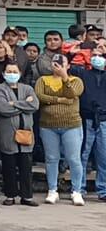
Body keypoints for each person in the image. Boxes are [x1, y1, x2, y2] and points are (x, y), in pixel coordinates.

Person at [35, 54, 85, 205]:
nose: (57, 65)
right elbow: (40, 96)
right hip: (48, 125)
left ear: (68, 65)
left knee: (74, 158)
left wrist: (64, 77)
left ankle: (76, 191)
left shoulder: (76, 80)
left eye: (61, 63)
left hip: (71, 124)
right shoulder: (42, 80)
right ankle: (52, 190)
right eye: (54, 62)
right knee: (51, 158)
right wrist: (59, 100)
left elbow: (73, 94)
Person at [0, 62, 39, 206]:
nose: (12, 74)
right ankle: (10, 195)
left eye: (14, 71)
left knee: (26, 167)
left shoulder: (27, 88)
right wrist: (24, 104)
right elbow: (3, 108)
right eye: (9, 71)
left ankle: (26, 196)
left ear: (20, 73)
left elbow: (34, 105)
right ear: (4, 74)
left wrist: (14, 103)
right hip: (8, 134)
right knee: (9, 165)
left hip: (26, 133)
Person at [73, 50, 106, 202]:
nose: (97, 58)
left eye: (101, 56)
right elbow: (69, 66)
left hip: (104, 120)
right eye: (94, 56)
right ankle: (79, 188)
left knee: (103, 156)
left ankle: (103, 189)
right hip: (86, 119)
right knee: (83, 154)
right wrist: (81, 51)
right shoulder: (82, 73)